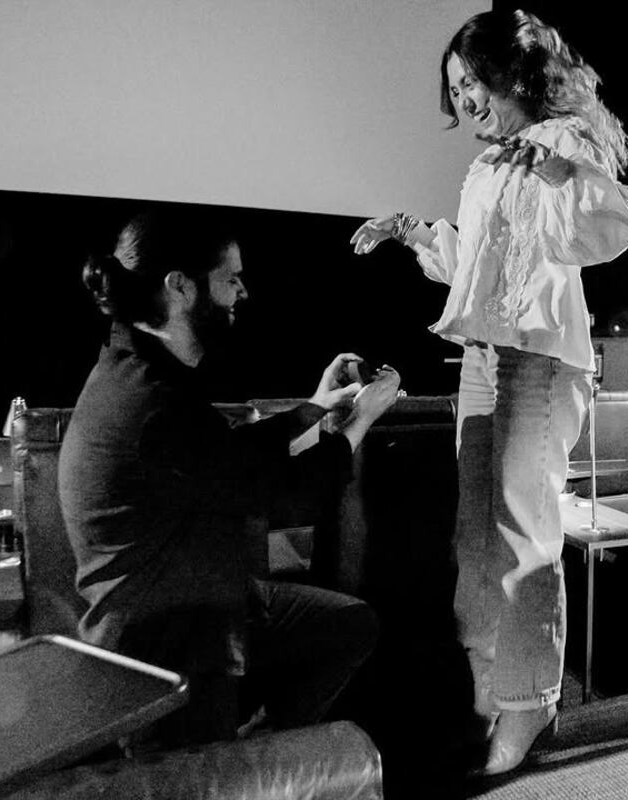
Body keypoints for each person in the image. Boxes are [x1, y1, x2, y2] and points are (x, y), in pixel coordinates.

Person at [350, 9, 628, 775]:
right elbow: (476, 271)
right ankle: (489, 692)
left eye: (470, 83)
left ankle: (531, 702)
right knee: (474, 537)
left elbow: (606, 229)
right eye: (454, 91)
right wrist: (416, 233)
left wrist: (557, 172)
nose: (464, 101)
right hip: (484, 357)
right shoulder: (486, 165)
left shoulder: (565, 142)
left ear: (511, 74)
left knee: (522, 535)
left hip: (539, 359)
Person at [59, 209, 400, 748]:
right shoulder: (151, 404)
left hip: (205, 596)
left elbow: (226, 457)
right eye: (230, 278)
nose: (242, 292)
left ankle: (263, 747)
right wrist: (360, 421)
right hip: (168, 640)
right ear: (180, 286)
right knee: (199, 776)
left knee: (347, 625)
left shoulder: (140, 371)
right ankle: (246, 761)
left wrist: (312, 408)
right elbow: (284, 491)